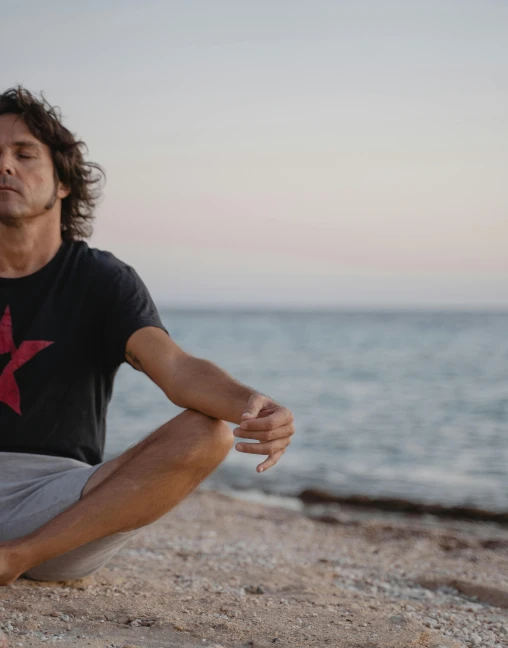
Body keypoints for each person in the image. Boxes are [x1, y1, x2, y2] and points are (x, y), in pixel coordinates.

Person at [0, 87, 294, 586]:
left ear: (64, 182)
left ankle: (13, 559)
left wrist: (254, 405)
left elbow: (177, 370)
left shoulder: (100, 281)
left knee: (208, 434)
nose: (5, 166)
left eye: (23, 153)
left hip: (59, 506)